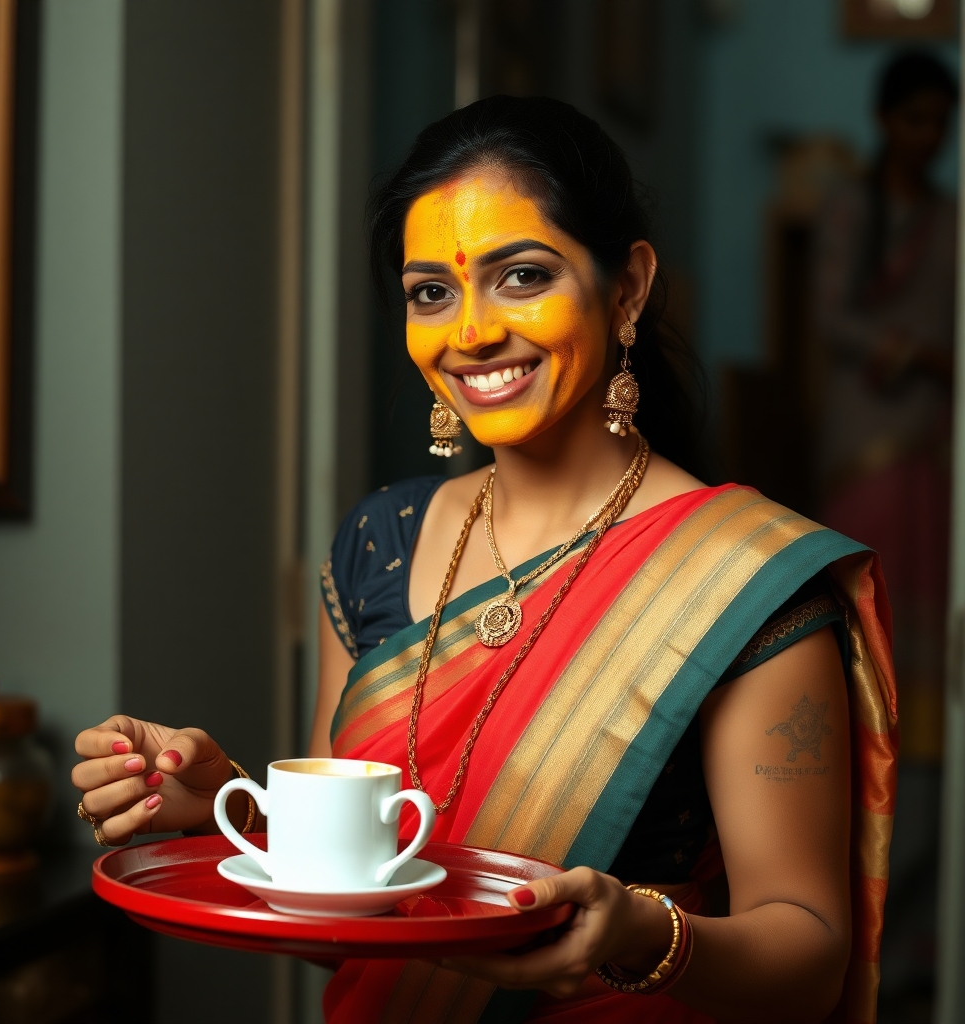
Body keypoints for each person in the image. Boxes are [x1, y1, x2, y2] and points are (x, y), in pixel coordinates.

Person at [73, 97, 896, 1024]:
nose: (469, 332)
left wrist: (636, 935)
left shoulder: (741, 577)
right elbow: (350, 933)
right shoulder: (377, 544)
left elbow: (810, 955)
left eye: (522, 276)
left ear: (626, 287)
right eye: (432, 292)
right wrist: (224, 807)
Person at [813, 51, 956, 1003]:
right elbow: (829, 317)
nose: (926, 138)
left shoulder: (951, 223)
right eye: (911, 121)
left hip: (932, 466)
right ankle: (840, 921)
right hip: (861, 461)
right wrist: (901, 350)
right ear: (883, 120)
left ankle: (911, 936)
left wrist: (921, 357)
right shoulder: (845, 206)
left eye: (939, 123)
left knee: (930, 685)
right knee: (861, 668)